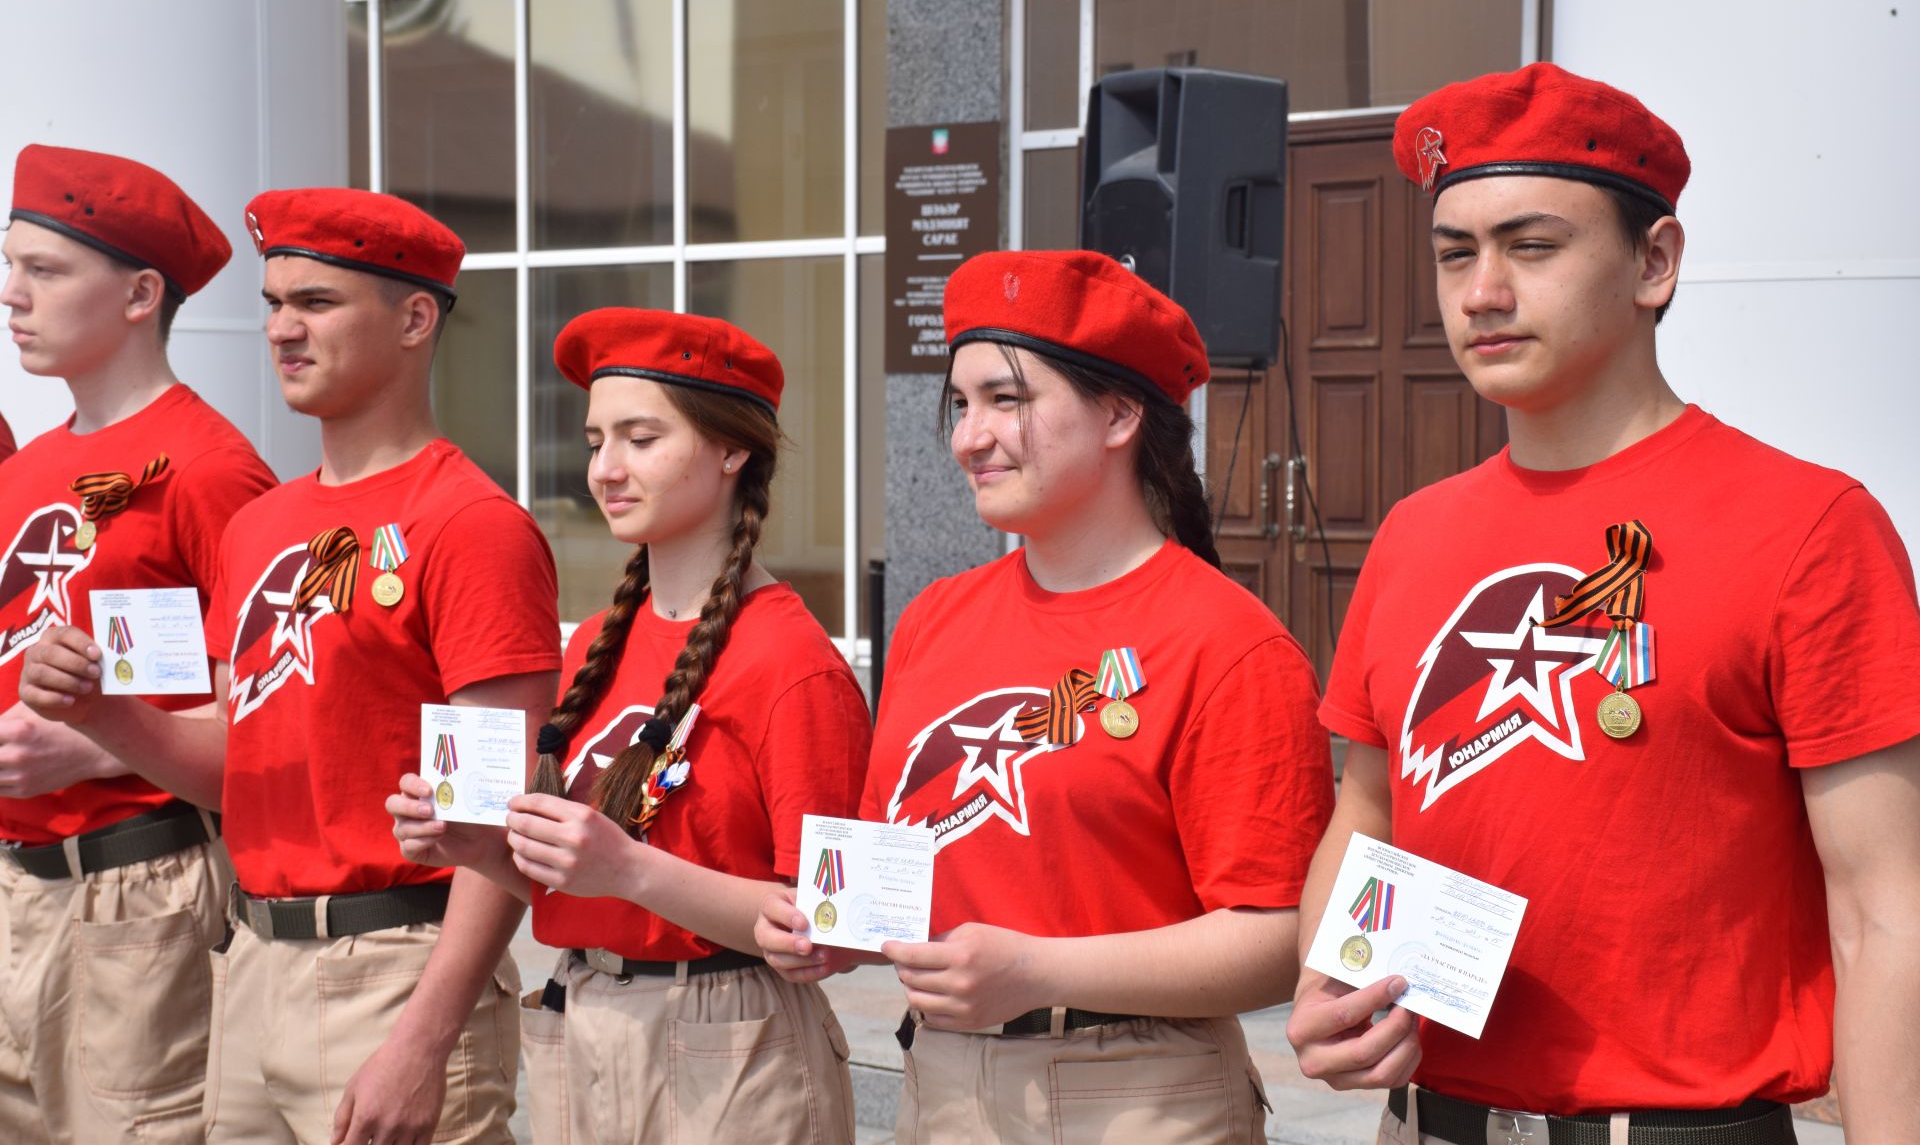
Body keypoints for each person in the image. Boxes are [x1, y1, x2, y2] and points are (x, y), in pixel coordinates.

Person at [1285, 63, 1920, 1143]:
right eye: (1454, 253)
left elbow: (1883, 911)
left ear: (1654, 262)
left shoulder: (1810, 527)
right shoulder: (1412, 535)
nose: (1481, 290)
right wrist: (1334, 986)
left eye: (1531, 247)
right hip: (1430, 1123)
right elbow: (1370, 811)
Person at [21, 187, 563, 1145]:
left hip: (398, 966)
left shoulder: (472, 525)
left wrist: (425, 1039)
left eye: (315, 303)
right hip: (252, 965)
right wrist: (106, 713)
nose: (282, 329)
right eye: (274, 303)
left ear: (414, 318)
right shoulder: (262, 525)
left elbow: (498, 821)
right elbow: (235, 762)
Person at [758, 250, 1336, 1144]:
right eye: (960, 403)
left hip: (1140, 1097)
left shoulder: (1229, 642)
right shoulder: (934, 618)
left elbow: (1278, 940)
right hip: (941, 1085)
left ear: (1119, 413)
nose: (967, 438)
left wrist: (1039, 969)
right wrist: (832, 928)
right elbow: (892, 873)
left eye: (1007, 400)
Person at [388, 306, 869, 1143]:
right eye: (594, 440)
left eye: (641, 440)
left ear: (731, 450)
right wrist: (472, 844)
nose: (606, 468)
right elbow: (589, 886)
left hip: (732, 1039)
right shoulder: (598, 645)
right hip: (585, 1021)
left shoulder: (795, 663)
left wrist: (630, 869)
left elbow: (833, 924)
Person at [0, 143, 274, 1143]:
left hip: (141, 896)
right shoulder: (28, 468)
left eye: (45, 269)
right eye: (9, 263)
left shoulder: (212, 471)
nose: (11, 294)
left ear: (139, 292)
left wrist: (89, 742)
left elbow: (272, 715)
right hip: (17, 887)